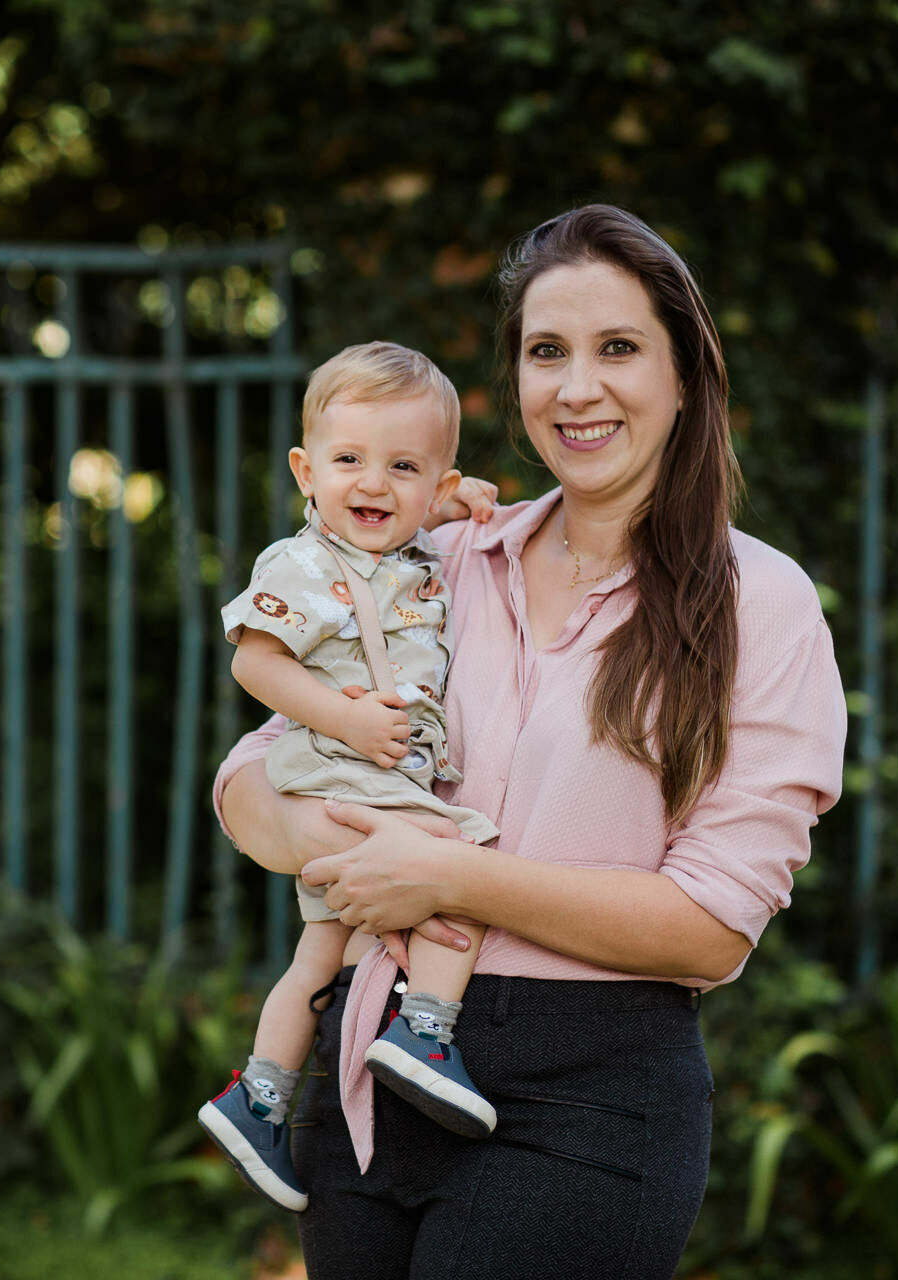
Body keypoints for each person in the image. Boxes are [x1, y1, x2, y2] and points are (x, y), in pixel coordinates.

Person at [212, 205, 847, 1279]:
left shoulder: (764, 604)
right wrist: (338, 838)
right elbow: (248, 776)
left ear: (686, 374)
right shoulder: (435, 560)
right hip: (368, 1079)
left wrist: (445, 874)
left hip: (587, 1102)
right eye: (546, 351)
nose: (577, 386)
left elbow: (711, 928)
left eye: (619, 349)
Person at [197, 342, 508, 1215]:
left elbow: (421, 508)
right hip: (339, 765)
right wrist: (347, 719)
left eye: (402, 467)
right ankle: (425, 1034)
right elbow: (256, 667)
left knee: (319, 957)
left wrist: (455, 499)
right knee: (466, 860)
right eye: (348, 462)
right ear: (306, 469)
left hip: (364, 773)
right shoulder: (304, 563)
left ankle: (258, 1099)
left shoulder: (405, 551)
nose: (372, 485)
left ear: (435, 477)